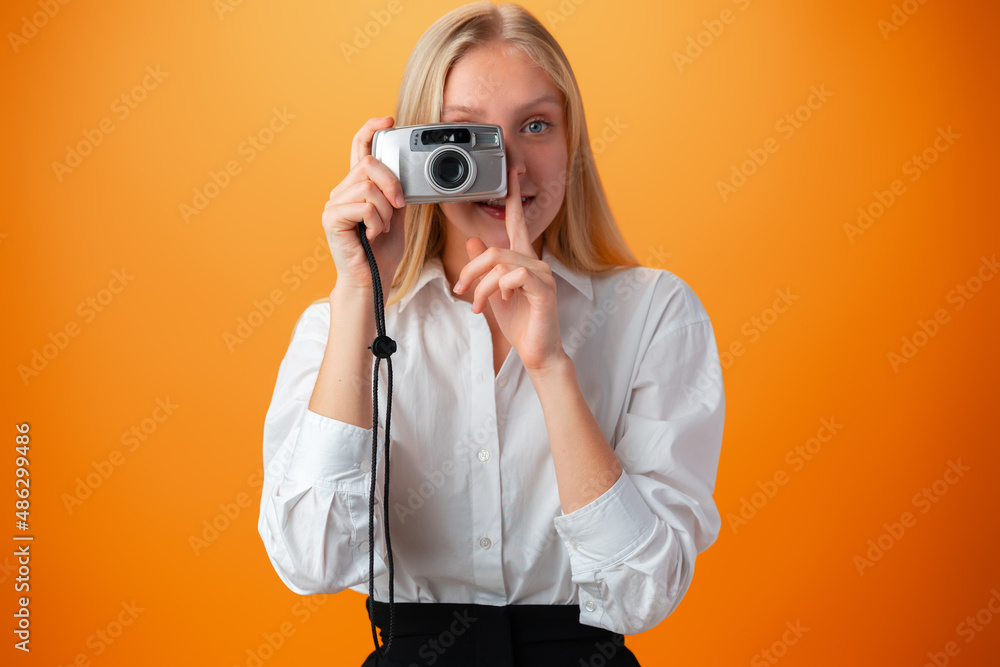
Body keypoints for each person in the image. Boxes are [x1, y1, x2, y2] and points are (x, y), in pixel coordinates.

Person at [258, 3, 725, 666]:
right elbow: (310, 558)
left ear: (573, 144)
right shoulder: (340, 323)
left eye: (536, 125)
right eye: (466, 135)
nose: (508, 165)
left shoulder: (655, 314)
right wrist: (360, 294)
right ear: (410, 155)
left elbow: (641, 593)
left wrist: (551, 366)